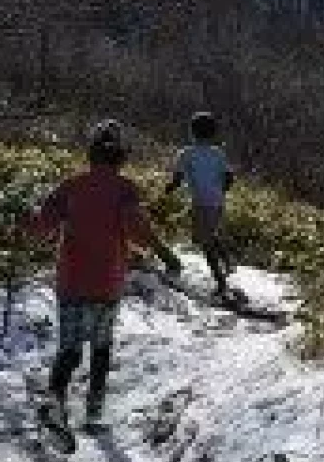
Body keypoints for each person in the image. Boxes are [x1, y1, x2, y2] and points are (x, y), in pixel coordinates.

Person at [24, 119, 181, 431]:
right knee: (100, 346)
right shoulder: (125, 190)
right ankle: (94, 414)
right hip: (106, 283)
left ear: (91, 154)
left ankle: (55, 401)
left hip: (71, 279)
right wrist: (166, 254)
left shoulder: (69, 186)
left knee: (68, 348)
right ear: (121, 157)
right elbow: (138, 232)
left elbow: (41, 229)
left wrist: (23, 217)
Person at [165, 111, 235, 300]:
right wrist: (220, 191)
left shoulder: (186, 154)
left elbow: (177, 178)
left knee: (204, 242)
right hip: (216, 201)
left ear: (192, 132)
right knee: (206, 237)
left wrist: (168, 190)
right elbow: (229, 177)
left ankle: (220, 282)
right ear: (213, 133)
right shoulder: (218, 153)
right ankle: (227, 260)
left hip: (201, 202)